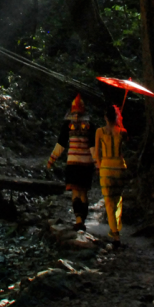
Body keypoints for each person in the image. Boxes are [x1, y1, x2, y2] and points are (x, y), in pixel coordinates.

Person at [46, 93, 95, 232]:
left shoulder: (68, 124)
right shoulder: (90, 125)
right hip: (87, 164)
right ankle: (82, 220)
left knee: (75, 192)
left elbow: (60, 144)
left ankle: (78, 220)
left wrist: (52, 160)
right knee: (84, 193)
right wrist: (97, 163)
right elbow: (93, 147)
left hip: (73, 163)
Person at [93, 103, 127, 248]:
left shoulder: (100, 131)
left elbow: (97, 153)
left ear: (106, 117)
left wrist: (98, 166)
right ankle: (116, 231)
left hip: (106, 168)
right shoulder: (122, 131)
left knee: (108, 202)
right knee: (118, 200)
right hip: (119, 167)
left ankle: (115, 235)